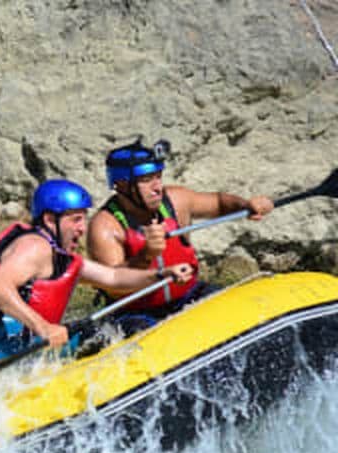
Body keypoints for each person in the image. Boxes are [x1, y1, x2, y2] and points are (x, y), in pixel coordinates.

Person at [0, 179, 194, 365]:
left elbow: (113, 277)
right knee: (127, 328)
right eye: (75, 220)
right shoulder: (33, 247)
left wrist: (162, 275)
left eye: (84, 219)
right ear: (50, 220)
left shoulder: (62, 257)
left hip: (32, 351)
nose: (82, 228)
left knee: (124, 326)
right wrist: (43, 327)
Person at [86, 138, 274, 334]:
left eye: (158, 176)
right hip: (136, 312)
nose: (157, 187)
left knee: (238, 310)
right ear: (122, 185)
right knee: (139, 332)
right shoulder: (105, 227)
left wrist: (246, 205)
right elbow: (114, 285)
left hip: (188, 295)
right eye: (147, 180)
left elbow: (218, 203)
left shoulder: (176, 200)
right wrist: (145, 256)